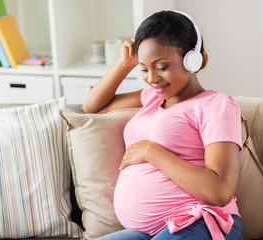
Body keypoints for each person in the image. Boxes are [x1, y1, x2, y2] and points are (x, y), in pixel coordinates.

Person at [83, 10, 243, 240]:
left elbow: (220, 191)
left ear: (194, 60)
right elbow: (93, 107)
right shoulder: (152, 97)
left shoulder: (216, 105)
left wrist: (151, 151)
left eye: (162, 67)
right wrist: (123, 64)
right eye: (144, 69)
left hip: (203, 222)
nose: (152, 78)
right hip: (146, 233)